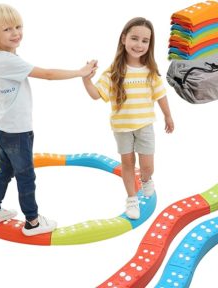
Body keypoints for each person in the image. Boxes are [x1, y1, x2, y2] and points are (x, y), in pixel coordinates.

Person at [0, 4, 97, 236]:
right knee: (26, 175)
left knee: (5, 171)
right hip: (16, 132)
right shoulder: (7, 61)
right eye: (7, 29)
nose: (15, 33)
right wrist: (79, 72)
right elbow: (47, 75)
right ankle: (33, 222)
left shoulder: (5, 57)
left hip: (5, 129)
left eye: (18, 26)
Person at [83, 17, 174, 220]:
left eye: (145, 41)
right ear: (123, 39)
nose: (139, 45)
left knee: (147, 165)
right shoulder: (114, 71)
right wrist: (86, 79)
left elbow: (160, 94)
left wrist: (168, 115)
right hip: (122, 127)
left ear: (150, 44)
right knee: (127, 163)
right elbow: (97, 95)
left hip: (145, 125)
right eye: (134, 38)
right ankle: (132, 198)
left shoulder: (150, 71)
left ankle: (146, 178)